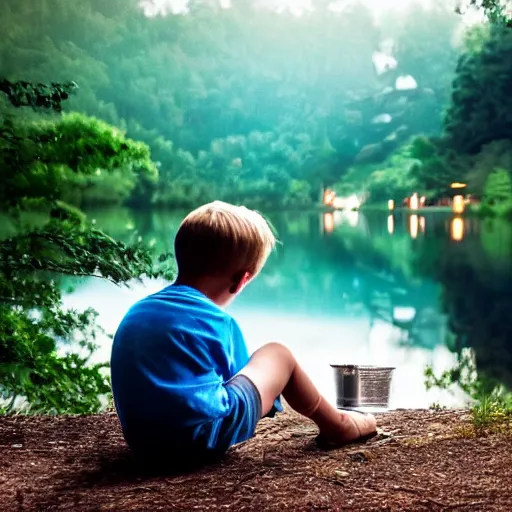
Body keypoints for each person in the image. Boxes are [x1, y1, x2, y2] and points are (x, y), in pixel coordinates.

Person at [110, 201, 377, 465]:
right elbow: (240, 380)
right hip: (200, 441)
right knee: (278, 355)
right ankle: (338, 424)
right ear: (241, 280)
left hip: (146, 447)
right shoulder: (217, 321)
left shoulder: (137, 313)